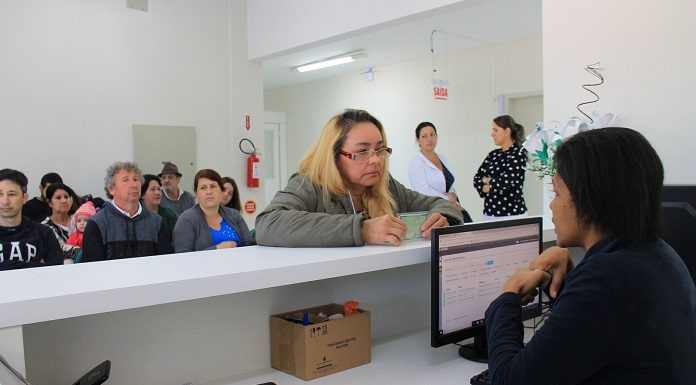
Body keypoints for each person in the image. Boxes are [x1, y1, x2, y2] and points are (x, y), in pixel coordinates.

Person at [484, 127, 696, 384]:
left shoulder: (606, 279)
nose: (552, 205)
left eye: (557, 193)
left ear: (588, 199)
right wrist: (569, 279)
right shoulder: (656, 252)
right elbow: (595, 331)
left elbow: (509, 380)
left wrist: (508, 297)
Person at [255, 109, 463, 247]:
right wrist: (362, 229)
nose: (375, 160)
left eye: (380, 150)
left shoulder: (386, 186)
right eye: (362, 152)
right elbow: (268, 224)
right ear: (334, 156)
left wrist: (443, 218)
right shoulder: (309, 184)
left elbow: (441, 204)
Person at [82, 162, 173, 262]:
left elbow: (166, 264)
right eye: (125, 180)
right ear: (112, 189)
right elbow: (93, 269)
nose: (133, 185)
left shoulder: (157, 222)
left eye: (136, 179)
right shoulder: (97, 224)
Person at [172, 169, 254, 252]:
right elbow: (182, 257)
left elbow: (251, 245)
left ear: (221, 191)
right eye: (203, 188)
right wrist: (217, 249)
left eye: (213, 186)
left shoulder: (234, 214)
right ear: (196, 194)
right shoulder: (186, 220)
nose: (209, 192)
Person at [408, 121, 472, 223]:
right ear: (418, 140)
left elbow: (448, 182)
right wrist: (447, 198)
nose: (429, 139)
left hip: (452, 206)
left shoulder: (441, 158)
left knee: (469, 230)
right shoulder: (416, 163)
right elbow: (422, 191)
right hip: (434, 210)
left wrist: (452, 193)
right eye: (424, 136)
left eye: (432, 135)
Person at [0, 169, 62, 270]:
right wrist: (35, 266)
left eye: (12, 194)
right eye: (0, 194)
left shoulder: (44, 233)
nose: (5, 201)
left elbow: (56, 270)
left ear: (24, 198)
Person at [473, 115, 528, 220]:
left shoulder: (517, 154)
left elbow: (505, 182)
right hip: (489, 214)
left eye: (495, 130)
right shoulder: (493, 154)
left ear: (507, 131)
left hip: (513, 215)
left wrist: (489, 183)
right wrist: (488, 182)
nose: (492, 134)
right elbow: (477, 179)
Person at [41, 183, 81, 263]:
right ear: (49, 202)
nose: (63, 201)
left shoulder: (80, 219)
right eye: (58, 198)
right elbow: (58, 249)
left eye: (66, 197)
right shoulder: (43, 227)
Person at [141, 174, 178, 243]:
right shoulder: (136, 216)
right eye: (152, 189)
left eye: (159, 189)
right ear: (142, 194)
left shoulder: (169, 215)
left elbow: (177, 241)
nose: (157, 193)